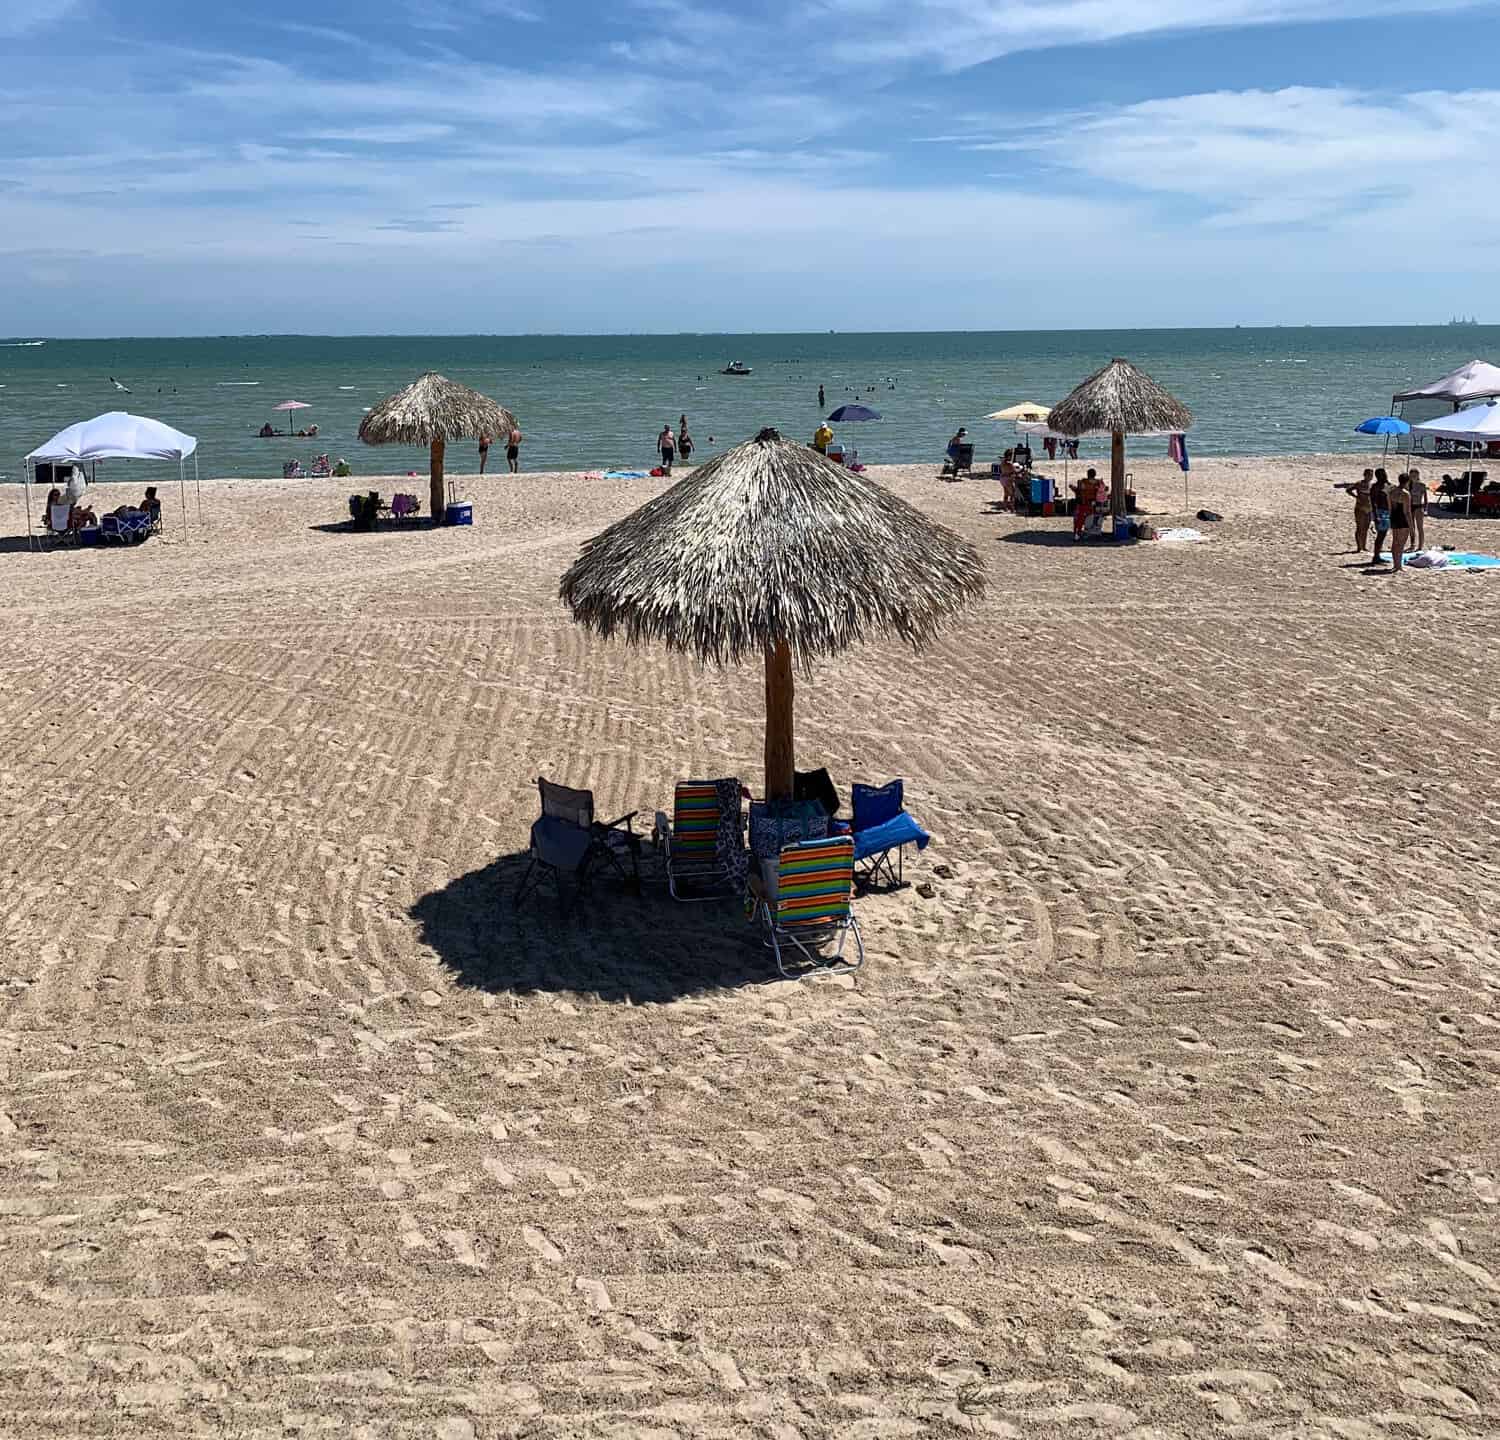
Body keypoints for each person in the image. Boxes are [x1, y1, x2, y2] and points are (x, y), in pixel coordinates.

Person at [1338, 467, 1374, 552]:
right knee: (1359, 527)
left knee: (1366, 528)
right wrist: (1356, 497)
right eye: (1368, 475)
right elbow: (1348, 490)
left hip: (1369, 508)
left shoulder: (1372, 485)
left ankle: (1364, 546)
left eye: (1371, 475)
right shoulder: (1359, 483)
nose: (1370, 477)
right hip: (1360, 507)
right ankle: (1359, 547)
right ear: (1365, 475)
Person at [1389, 472, 1413, 573]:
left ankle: (1396, 564)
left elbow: (1390, 507)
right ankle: (1398, 566)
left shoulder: (1392, 491)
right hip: (1402, 519)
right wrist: (1411, 525)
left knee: (1395, 542)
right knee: (1401, 544)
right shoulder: (1405, 494)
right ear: (1407, 481)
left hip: (1394, 517)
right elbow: (1407, 511)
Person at [1074, 468, 1102, 539]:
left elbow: (1079, 492)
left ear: (1087, 474)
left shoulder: (1083, 482)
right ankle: (1089, 531)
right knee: (1090, 517)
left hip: (1084, 503)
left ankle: (1077, 533)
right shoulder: (1098, 483)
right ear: (1095, 475)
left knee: (1079, 518)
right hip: (1094, 504)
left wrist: (1073, 488)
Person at [1370, 469, 1391, 563]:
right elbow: (1373, 502)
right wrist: (1375, 516)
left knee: (1383, 534)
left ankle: (1377, 555)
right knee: (1380, 535)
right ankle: (1376, 556)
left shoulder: (1387, 485)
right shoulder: (1375, 487)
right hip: (1380, 512)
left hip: (1387, 511)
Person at [1408, 465, 1427, 550]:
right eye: (1412, 476)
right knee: (1411, 527)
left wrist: (1426, 509)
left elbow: (1426, 498)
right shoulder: (1408, 485)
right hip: (1410, 506)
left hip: (1419, 506)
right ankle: (1412, 544)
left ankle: (1420, 546)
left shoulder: (1422, 485)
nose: (1413, 477)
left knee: (1420, 527)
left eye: (1415, 475)